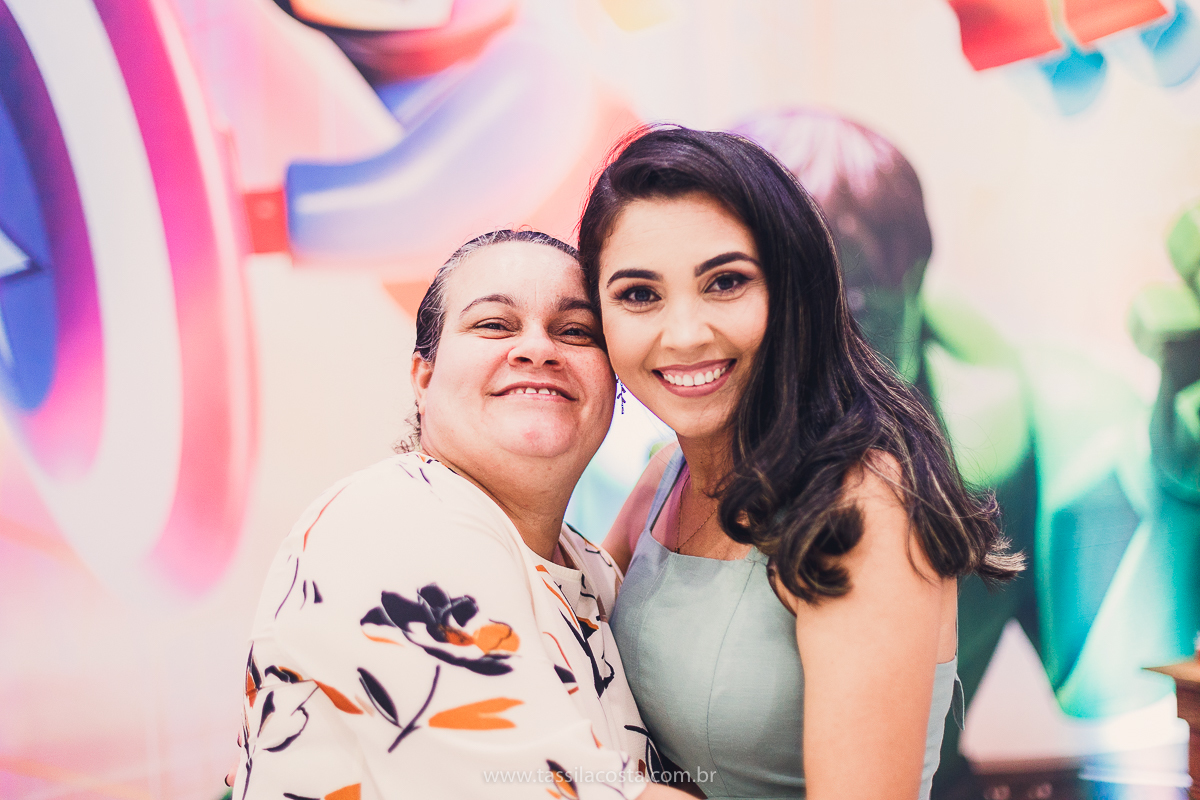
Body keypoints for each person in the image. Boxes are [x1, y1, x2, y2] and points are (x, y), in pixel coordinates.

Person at [576, 127, 1022, 800]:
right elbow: (563, 648)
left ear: (795, 291)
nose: (686, 333)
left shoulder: (860, 507)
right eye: (639, 294)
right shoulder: (666, 478)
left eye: (725, 282)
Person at [231, 230, 694, 799]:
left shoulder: (589, 566)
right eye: (494, 324)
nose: (538, 349)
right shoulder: (389, 519)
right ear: (422, 377)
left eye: (575, 332)